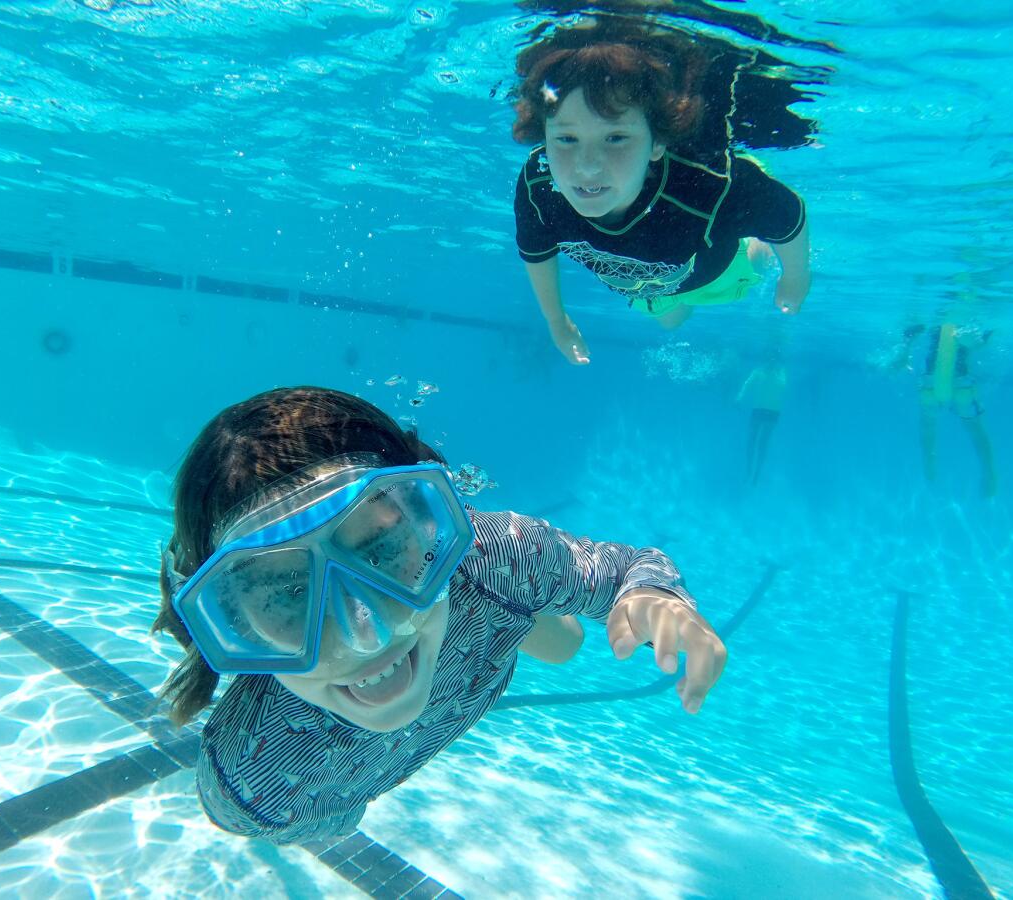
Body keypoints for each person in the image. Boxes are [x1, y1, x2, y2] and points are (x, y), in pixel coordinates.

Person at [151, 387, 727, 843]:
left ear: (431, 520)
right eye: (287, 592)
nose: (364, 633)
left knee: (560, 637)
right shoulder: (252, 782)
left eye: (381, 547)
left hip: (479, 624)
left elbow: (628, 568)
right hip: (449, 634)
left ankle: (520, 614)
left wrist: (654, 597)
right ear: (233, 623)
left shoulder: (493, 553)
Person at [512, 18, 812, 358]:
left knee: (758, 261)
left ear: (657, 142)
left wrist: (796, 276)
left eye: (615, 137)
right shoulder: (539, 185)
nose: (587, 166)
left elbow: (789, 215)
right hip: (647, 290)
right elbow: (536, 250)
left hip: (718, 274)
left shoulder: (704, 190)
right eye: (566, 139)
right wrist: (556, 321)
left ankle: (753, 237)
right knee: (671, 322)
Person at [895, 323, 997, 498]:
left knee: (928, 425)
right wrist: (982, 338)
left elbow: (911, 332)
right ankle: (989, 474)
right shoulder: (970, 322)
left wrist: (905, 351)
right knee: (974, 428)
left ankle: (929, 468)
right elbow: (981, 341)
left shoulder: (935, 322)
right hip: (961, 384)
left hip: (930, 383)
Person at [737, 359, 787, 486]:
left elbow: (782, 386)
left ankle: (756, 475)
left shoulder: (780, 372)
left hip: (771, 411)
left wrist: (773, 374)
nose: (772, 360)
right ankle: (749, 471)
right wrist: (739, 396)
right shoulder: (759, 372)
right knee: (752, 441)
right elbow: (747, 384)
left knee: (762, 444)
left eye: (774, 357)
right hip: (761, 410)